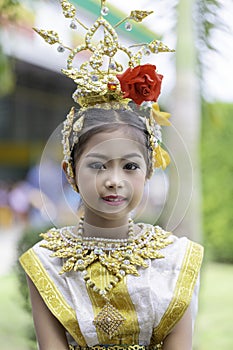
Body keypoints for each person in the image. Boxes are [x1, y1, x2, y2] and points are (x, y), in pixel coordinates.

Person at [19, 1, 204, 350]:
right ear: (70, 172)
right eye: (98, 165)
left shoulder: (176, 260)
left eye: (130, 166)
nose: (114, 179)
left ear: (148, 172)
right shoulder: (46, 261)